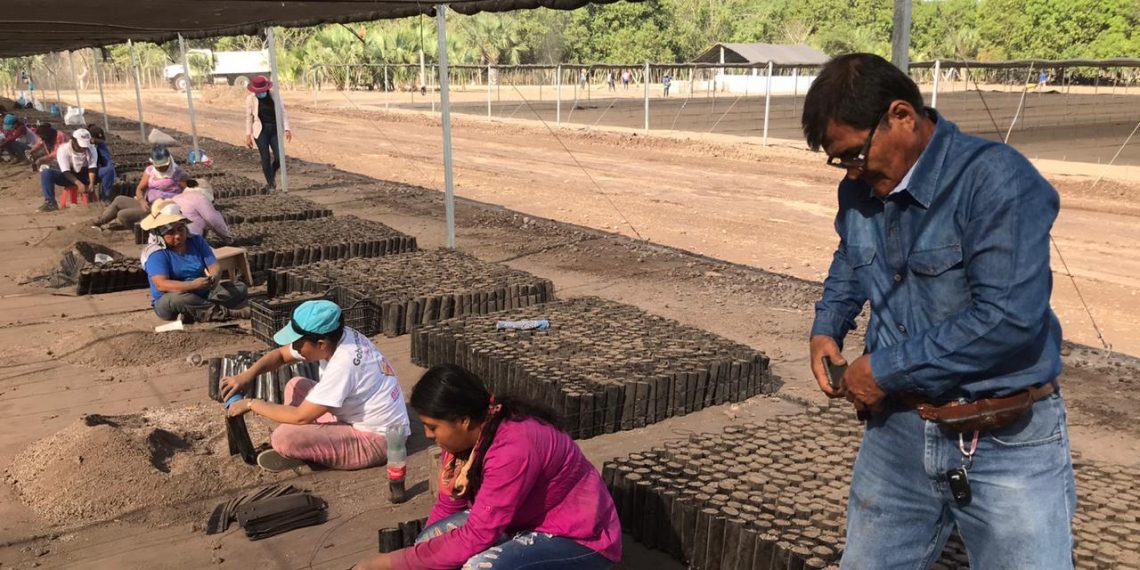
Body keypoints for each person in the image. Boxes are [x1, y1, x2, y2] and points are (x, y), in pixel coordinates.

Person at [802, 53, 1073, 568]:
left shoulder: (995, 181)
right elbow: (850, 256)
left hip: (1003, 441)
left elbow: (1008, 320)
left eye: (855, 155)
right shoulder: (860, 191)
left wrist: (884, 368)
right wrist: (827, 325)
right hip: (898, 435)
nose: (851, 172)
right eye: (840, 162)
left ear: (902, 116)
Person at [353, 364, 621, 570]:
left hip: (577, 535)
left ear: (464, 420)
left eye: (433, 426)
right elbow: (449, 506)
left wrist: (389, 562)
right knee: (428, 544)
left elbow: (478, 535)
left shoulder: (513, 447)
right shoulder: (464, 444)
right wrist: (420, 557)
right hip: (519, 520)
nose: (429, 435)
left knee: (479, 567)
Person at [221, 300, 410, 472]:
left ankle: (307, 452)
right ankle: (313, 444)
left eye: (298, 343)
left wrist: (251, 404)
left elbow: (300, 417)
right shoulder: (340, 335)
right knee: (296, 385)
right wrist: (247, 375)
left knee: (284, 438)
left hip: (379, 440)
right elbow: (280, 355)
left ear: (320, 344)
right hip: (360, 416)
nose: (294, 347)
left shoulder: (343, 365)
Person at [140, 201, 249, 323]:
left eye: (180, 229)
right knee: (178, 300)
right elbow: (161, 285)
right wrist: (192, 285)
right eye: (170, 232)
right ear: (159, 234)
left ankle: (195, 312)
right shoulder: (157, 253)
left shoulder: (196, 240)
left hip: (202, 291)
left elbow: (214, 266)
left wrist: (213, 279)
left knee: (239, 287)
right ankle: (226, 313)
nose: (178, 236)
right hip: (171, 299)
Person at [91, 145, 186, 230]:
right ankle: (100, 221)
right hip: (148, 205)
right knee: (119, 200)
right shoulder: (150, 171)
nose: (162, 169)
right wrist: (141, 201)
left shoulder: (178, 173)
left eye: (164, 166)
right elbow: (140, 188)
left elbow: (188, 192)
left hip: (163, 210)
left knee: (122, 215)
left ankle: (145, 230)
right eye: (159, 167)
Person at [243, 75, 292, 191]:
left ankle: (272, 172)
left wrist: (287, 129)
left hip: (275, 129)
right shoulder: (250, 99)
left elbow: (283, 112)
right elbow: (248, 117)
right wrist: (248, 135)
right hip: (260, 131)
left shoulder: (275, 96)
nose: (261, 93)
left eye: (263, 91)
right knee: (265, 157)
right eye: (258, 91)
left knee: (279, 158)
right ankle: (271, 183)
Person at [37, 128, 96, 212]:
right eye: (81, 146)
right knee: (47, 173)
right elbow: (65, 171)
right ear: (74, 141)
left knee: (107, 171)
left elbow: (92, 168)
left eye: (85, 146)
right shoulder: (63, 149)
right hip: (69, 176)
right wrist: (79, 184)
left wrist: (92, 183)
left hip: (85, 174)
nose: (83, 149)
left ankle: (106, 200)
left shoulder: (91, 149)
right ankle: (50, 202)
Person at [86, 124, 117, 201]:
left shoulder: (100, 146)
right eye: (95, 141)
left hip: (95, 170)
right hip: (84, 172)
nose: (97, 143)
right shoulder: (84, 146)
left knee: (109, 170)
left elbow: (107, 159)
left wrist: (113, 173)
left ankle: (105, 197)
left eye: (99, 142)